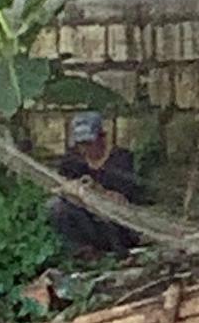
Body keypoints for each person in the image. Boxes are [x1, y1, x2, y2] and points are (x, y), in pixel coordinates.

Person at [49, 111, 142, 262]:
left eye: (89, 143)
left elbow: (124, 199)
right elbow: (58, 187)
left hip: (114, 226)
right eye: (81, 144)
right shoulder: (72, 161)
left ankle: (117, 254)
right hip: (85, 220)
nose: (85, 149)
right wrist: (72, 190)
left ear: (102, 137)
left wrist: (97, 191)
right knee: (57, 207)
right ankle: (83, 252)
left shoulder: (121, 160)